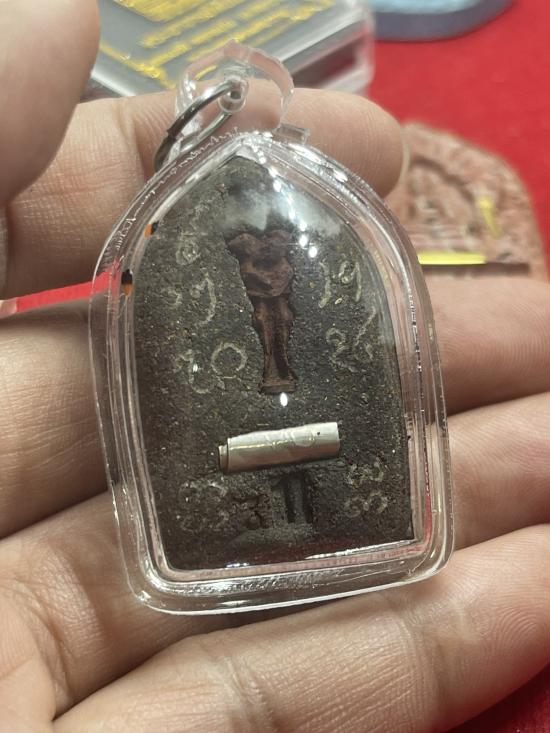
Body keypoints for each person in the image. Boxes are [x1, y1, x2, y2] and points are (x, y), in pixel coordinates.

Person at [1, 2, 549, 731]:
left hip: (309, 416)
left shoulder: (292, 235)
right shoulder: (199, 242)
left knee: (281, 340)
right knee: (269, 342)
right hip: (235, 446)